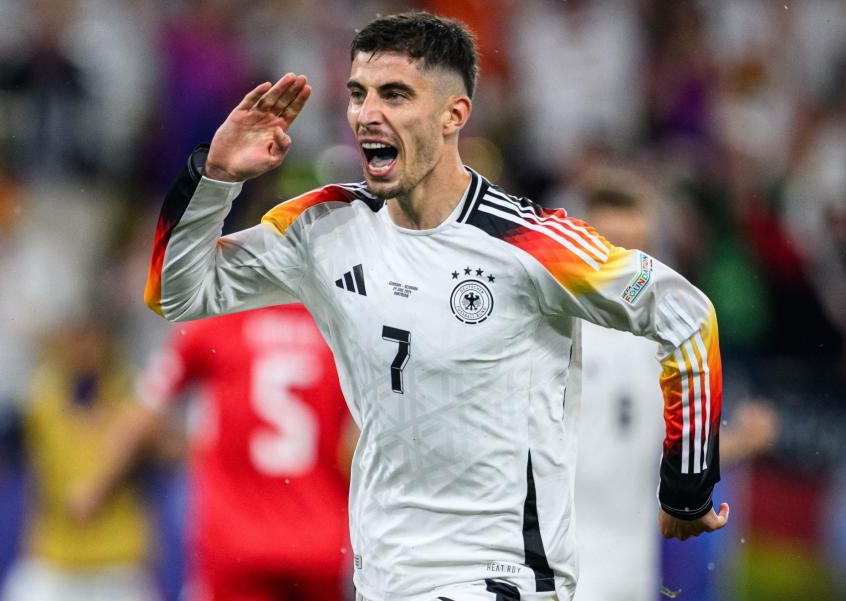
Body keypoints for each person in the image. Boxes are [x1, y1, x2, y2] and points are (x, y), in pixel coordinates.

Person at [143, 12, 728, 601]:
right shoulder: (323, 227)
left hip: (503, 578)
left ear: (454, 115)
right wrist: (214, 177)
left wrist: (687, 487)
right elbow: (178, 292)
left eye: (395, 94)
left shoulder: (529, 244)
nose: (368, 114)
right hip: (384, 578)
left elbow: (684, 313)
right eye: (358, 94)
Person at [570, 169, 777, 601]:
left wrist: (744, 440)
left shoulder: (665, 343)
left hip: (630, 570)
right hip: (556, 565)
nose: (623, 261)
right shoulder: (552, 330)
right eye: (609, 245)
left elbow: (674, 447)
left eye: (636, 247)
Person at [70, 305, 354, 601]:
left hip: (236, 543)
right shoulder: (335, 326)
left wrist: (96, 485)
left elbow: (146, 409)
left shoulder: (219, 324)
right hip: (321, 540)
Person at [0, 313, 158, 601]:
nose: (85, 350)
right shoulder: (42, 395)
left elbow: (164, 450)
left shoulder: (133, 396)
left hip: (116, 556)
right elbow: (6, 447)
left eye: (93, 339)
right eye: (77, 339)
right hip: (55, 553)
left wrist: (105, 481)